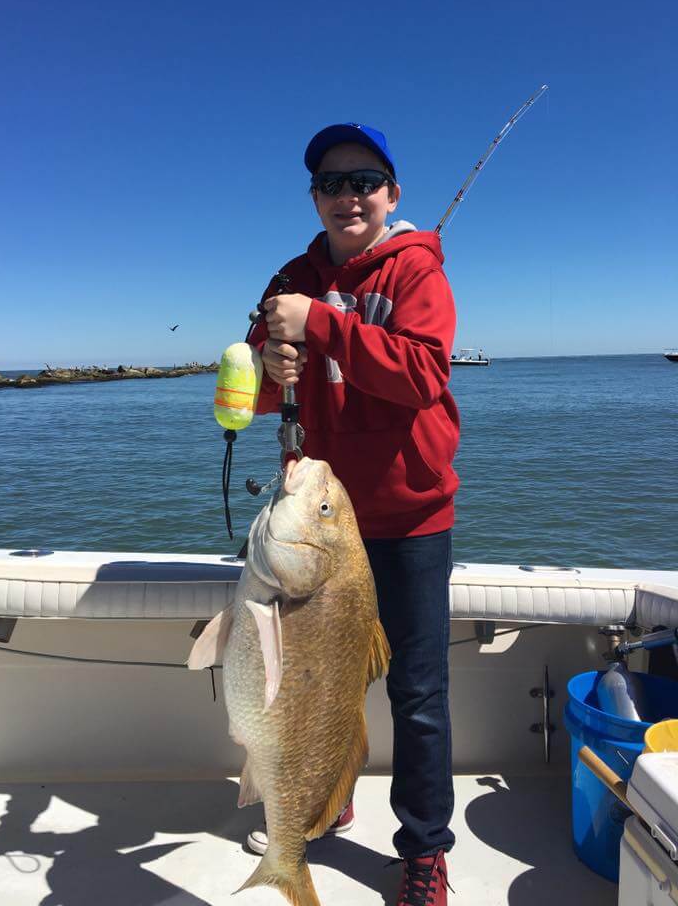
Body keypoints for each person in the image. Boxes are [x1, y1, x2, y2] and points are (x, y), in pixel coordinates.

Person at [247, 123, 460, 906]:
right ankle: (326, 794)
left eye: (364, 180)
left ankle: (425, 851)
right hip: (318, 529)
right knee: (313, 683)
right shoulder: (288, 281)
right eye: (331, 183)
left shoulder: (416, 273)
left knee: (417, 693)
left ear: (391, 195)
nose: (349, 196)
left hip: (407, 519)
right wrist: (272, 365)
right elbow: (255, 396)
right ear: (314, 198)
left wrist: (324, 323)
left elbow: (422, 375)